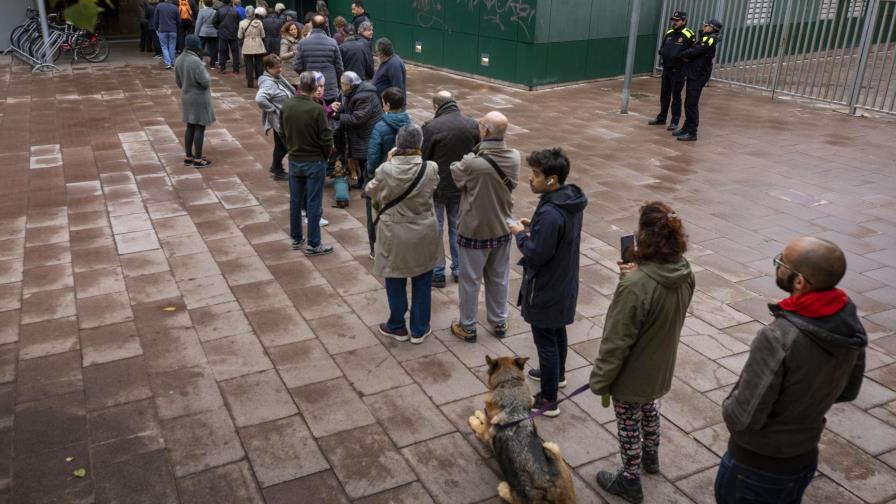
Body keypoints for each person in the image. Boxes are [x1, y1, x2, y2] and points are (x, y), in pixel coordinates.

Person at [715, 237, 866, 504]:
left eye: (782, 262)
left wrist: (728, 405)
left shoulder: (778, 337)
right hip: (803, 458)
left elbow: (744, 417)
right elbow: (848, 391)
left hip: (757, 466)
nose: (778, 265)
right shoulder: (848, 324)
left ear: (799, 282)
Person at [590, 202, 695, 503]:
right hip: (660, 364)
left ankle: (629, 479)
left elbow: (616, 340)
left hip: (632, 372)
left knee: (628, 422)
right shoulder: (685, 272)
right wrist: (636, 276)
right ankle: (651, 456)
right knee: (649, 407)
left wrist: (601, 380)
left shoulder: (636, 285)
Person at [507, 148, 587, 416]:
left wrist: (520, 235)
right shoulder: (567, 201)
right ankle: (557, 374)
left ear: (552, 179)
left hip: (547, 286)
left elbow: (536, 254)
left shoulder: (552, 213)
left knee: (545, 341)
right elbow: (557, 236)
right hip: (563, 282)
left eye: (536, 174)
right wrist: (535, 227)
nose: (531, 179)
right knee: (557, 330)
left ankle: (548, 400)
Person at [449, 111, 519, 343]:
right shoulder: (514, 157)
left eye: (480, 124)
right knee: (499, 278)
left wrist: (471, 154)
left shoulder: (472, 162)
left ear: (486, 131)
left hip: (474, 230)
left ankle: (468, 326)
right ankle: (499, 321)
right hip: (502, 227)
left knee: (470, 281)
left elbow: (456, 172)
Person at [366, 124, 440, 344]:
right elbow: (434, 186)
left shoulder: (386, 170)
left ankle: (397, 325)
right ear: (419, 144)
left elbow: (370, 190)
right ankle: (419, 328)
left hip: (394, 232)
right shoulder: (430, 168)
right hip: (424, 230)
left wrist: (389, 161)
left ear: (397, 143)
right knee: (423, 279)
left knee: (395, 277)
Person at [422, 91, 479, 288]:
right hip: (461, 186)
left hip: (438, 186)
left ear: (435, 107)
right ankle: (459, 269)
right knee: (457, 228)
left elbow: (423, 158)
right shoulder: (472, 124)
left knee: (436, 228)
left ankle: (437, 272)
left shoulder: (431, 127)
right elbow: (477, 152)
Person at [280, 71, 335, 257]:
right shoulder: (316, 109)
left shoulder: (287, 105)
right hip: (314, 161)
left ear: (299, 86)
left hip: (295, 160)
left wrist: (291, 148)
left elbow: (282, 132)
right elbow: (326, 138)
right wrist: (325, 156)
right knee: (313, 203)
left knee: (295, 201)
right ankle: (314, 243)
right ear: (314, 87)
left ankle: (296, 238)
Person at [365, 87, 410, 257]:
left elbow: (373, 155)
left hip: (384, 177)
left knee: (376, 214)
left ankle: (376, 249)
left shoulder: (380, 127)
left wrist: (371, 174)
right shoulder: (410, 124)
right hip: (404, 175)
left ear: (388, 105)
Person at [675, 19, 722, 142]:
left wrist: (683, 54)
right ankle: (686, 128)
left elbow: (695, 51)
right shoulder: (705, 37)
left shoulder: (709, 39)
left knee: (691, 103)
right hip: (694, 73)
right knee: (689, 102)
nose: (704, 26)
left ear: (712, 28)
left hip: (698, 75)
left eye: (706, 25)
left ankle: (692, 132)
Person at [337, 71, 383, 192]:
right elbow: (350, 107)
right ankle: (362, 181)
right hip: (363, 131)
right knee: (362, 158)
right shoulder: (354, 91)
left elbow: (357, 118)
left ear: (351, 85)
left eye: (343, 84)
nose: (341, 86)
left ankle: (367, 184)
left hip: (368, 131)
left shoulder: (364, 96)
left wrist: (338, 116)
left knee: (366, 158)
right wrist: (340, 108)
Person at [649, 10, 694, 131]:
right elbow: (663, 47)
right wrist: (662, 52)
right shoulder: (669, 33)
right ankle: (662, 118)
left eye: (677, 20)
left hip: (678, 71)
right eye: (673, 20)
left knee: (676, 97)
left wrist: (680, 58)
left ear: (684, 21)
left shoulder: (688, 34)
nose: (674, 22)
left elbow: (692, 53)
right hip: (666, 69)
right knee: (664, 95)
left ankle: (674, 121)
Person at [175, 35, 216, 168]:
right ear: (197, 47)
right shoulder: (196, 61)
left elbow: (178, 82)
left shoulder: (179, 59)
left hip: (186, 96)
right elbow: (205, 82)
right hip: (199, 98)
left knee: (190, 126)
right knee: (199, 127)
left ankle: (188, 157)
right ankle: (198, 159)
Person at [256, 55, 295, 182]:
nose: (280, 69)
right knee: (288, 145)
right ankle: (278, 170)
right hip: (280, 119)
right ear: (268, 68)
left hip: (284, 118)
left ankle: (276, 168)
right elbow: (260, 99)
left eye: (280, 66)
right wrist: (273, 109)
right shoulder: (268, 83)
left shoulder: (276, 77)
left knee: (280, 145)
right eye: (277, 67)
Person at [293, 15, 344, 103]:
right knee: (330, 109)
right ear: (325, 25)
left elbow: (297, 66)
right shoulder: (332, 42)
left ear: (312, 25)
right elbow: (339, 67)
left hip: (310, 86)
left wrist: (307, 75)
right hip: (329, 86)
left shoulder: (303, 43)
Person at [213, 0, 241, 74]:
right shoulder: (235, 11)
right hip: (233, 34)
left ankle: (222, 68)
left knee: (222, 52)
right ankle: (236, 69)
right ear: (230, 2)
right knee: (235, 52)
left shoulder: (219, 10)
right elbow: (238, 21)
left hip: (223, 34)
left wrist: (219, 28)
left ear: (223, 2)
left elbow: (214, 22)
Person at [151, 0, 179, 69]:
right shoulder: (175, 7)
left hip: (162, 30)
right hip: (173, 30)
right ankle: (172, 63)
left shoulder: (159, 6)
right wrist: (176, 27)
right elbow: (178, 20)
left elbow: (155, 19)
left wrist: (156, 28)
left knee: (164, 47)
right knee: (172, 47)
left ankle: (168, 63)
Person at [194, 0, 218, 68]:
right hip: (213, 33)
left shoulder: (201, 11)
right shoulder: (215, 12)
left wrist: (196, 34)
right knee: (213, 48)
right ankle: (212, 64)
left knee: (200, 47)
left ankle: (200, 61)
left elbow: (198, 23)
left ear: (204, 3)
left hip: (203, 32)